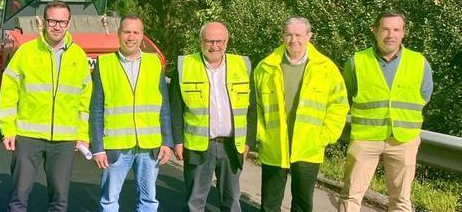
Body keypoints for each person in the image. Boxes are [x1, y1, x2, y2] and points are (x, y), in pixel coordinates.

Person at [0, 1, 92, 212]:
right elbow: (9, 90)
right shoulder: (26, 52)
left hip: (64, 140)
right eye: (52, 21)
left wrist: (83, 134)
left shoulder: (78, 55)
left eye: (62, 21)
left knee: (59, 200)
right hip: (28, 136)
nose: (57, 26)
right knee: (19, 198)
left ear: (69, 23)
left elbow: (84, 99)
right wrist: (8, 130)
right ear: (43, 22)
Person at [338, 11, 433, 212]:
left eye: (396, 29)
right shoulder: (356, 62)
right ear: (375, 31)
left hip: (403, 139)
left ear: (404, 33)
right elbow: (350, 92)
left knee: (400, 200)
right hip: (366, 137)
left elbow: (424, 96)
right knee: (351, 195)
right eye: (385, 29)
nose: (391, 35)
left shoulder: (419, 62)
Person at [253, 17, 349, 212]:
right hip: (274, 146)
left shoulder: (326, 68)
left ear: (309, 36)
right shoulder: (265, 67)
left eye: (298, 35)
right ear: (282, 36)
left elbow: (339, 105)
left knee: (302, 204)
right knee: (270, 204)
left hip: (309, 146)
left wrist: (325, 136)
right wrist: (260, 136)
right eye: (289, 34)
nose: (293, 39)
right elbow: (254, 107)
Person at [90, 13, 172, 212]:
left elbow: (164, 106)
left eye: (136, 32)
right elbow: (97, 108)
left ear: (142, 36)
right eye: (127, 31)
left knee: (149, 201)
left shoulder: (154, 64)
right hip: (116, 146)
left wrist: (167, 141)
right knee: (109, 200)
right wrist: (98, 147)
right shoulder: (105, 63)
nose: (131, 36)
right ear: (118, 34)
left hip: (149, 146)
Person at [170, 22, 255, 212]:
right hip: (199, 146)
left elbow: (252, 109)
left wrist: (249, 141)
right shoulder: (185, 66)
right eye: (209, 41)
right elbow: (175, 109)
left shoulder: (243, 65)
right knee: (195, 201)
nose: (215, 46)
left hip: (232, 146)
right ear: (201, 41)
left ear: (227, 41)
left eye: (219, 41)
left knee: (232, 200)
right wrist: (177, 141)